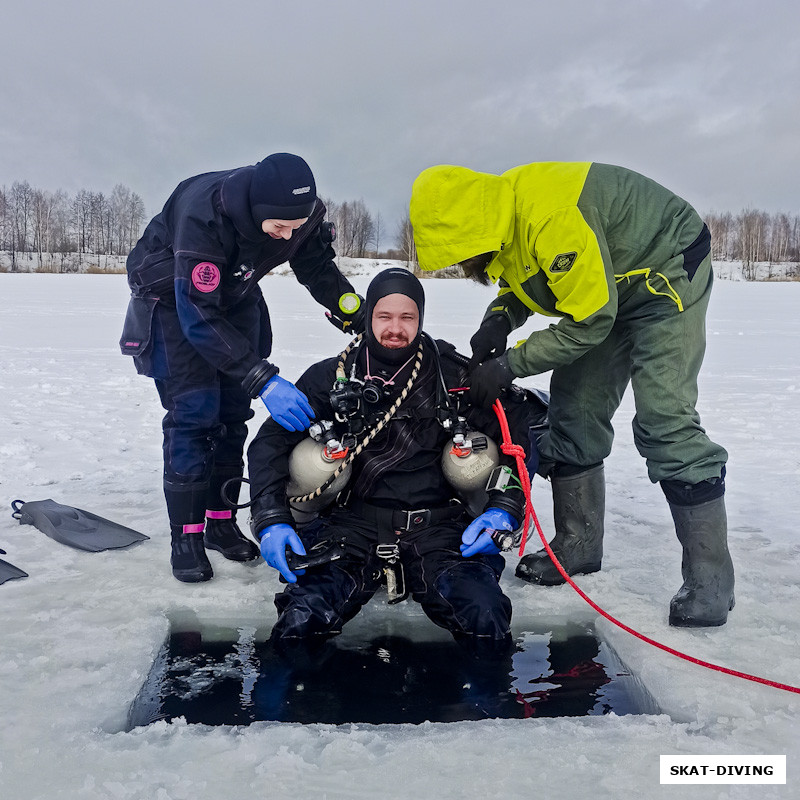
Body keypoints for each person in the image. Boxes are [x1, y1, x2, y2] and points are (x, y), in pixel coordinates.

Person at [409, 161, 734, 628]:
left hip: (663, 274)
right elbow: (524, 280)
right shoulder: (504, 219)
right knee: (575, 409)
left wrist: (509, 365)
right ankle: (578, 544)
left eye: (462, 254)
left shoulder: (550, 218)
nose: (463, 265)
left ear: (475, 229)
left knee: (665, 420)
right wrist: (498, 319)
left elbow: (591, 321)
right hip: (605, 290)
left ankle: (711, 580)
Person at [247, 267, 544, 654]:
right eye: (384, 316)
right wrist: (270, 519)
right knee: (302, 618)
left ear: (420, 319)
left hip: (440, 528)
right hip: (351, 526)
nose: (395, 328)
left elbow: (519, 435)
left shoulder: (451, 375)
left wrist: (505, 509)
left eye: (408, 318)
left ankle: (486, 710)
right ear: (369, 316)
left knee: (484, 615)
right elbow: (268, 445)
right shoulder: (333, 377)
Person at [120, 153, 365, 584]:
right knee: (194, 416)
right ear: (254, 210)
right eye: (278, 228)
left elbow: (316, 269)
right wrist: (262, 378)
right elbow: (196, 310)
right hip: (174, 298)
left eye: (295, 227)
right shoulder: (205, 214)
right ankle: (187, 537)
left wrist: (359, 316)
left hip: (235, 290)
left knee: (233, 416)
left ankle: (219, 522)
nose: (286, 236)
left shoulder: (299, 217)